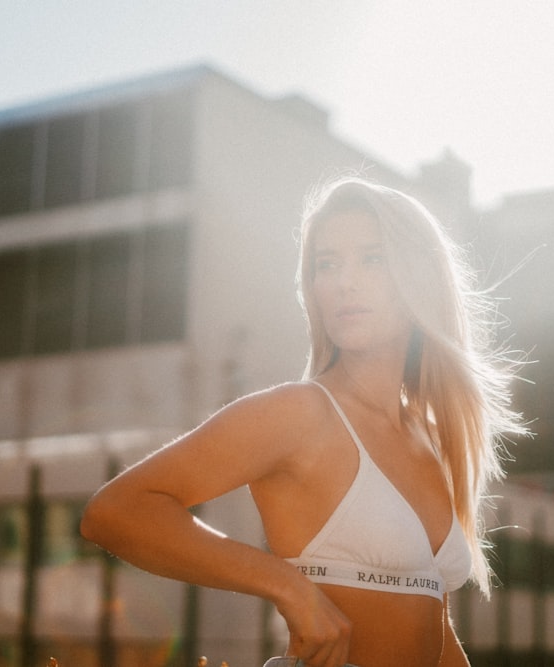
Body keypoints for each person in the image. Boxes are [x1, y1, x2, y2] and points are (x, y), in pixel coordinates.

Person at [80, 177, 525, 667]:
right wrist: (288, 587)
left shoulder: (429, 436)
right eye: (326, 264)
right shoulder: (301, 414)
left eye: (372, 259)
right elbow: (114, 512)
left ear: (419, 276)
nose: (343, 282)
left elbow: (435, 630)